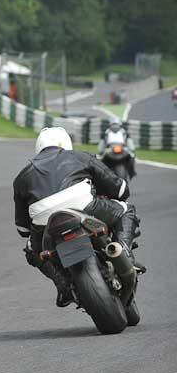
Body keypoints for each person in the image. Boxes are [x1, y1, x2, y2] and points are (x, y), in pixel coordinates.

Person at [13, 127, 141, 307]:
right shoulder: (80, 156)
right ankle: (123, 252)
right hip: (84, 207)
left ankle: (63, 285)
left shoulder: (22, 177)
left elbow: (23, 229)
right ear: (66, 143)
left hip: (45, 222)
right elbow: (120, 190)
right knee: (126, 209)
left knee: (32, 250)